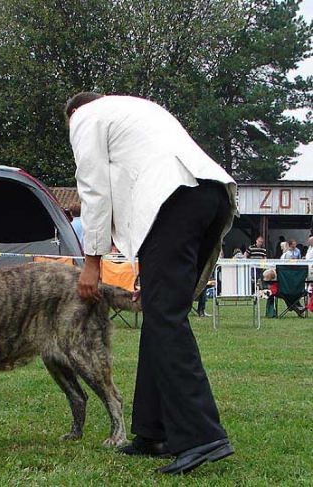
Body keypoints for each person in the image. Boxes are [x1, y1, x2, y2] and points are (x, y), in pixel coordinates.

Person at [66, 92, 237, 475]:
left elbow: (94, 191)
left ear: (73, 113)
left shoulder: (85, 117)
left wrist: (92, 264)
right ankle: (151, 431)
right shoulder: (133, 110)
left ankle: (201, 435)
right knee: (162, 314)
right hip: (210, 194)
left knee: (166, 319)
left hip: (174, 197)